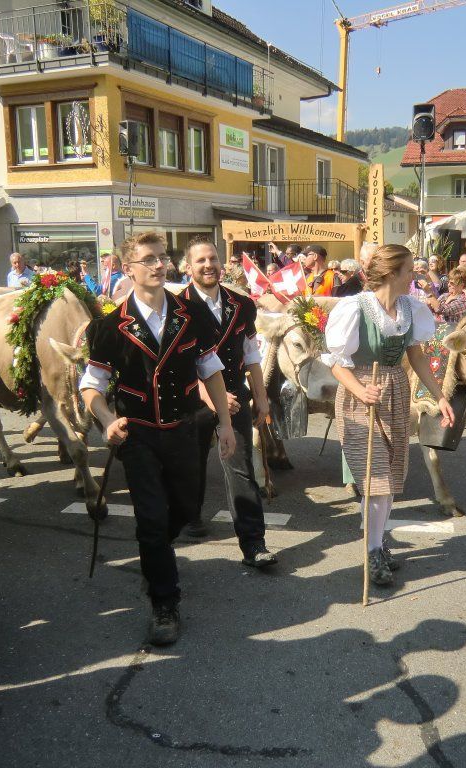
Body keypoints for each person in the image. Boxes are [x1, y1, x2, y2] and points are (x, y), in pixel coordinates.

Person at [80, 231, 237, 646]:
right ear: (128, 269)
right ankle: (163, 601)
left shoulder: (192, 315)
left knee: (186, 509)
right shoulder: (109, 327)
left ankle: (155, 554)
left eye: (161, 258)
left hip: (185, 429)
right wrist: (107, 418)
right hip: (139, 436)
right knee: (151, 519)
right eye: (147, 259)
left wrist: (224, 423)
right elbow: (91, 386)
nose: (157, 265)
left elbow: (211, 370)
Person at [323, 244, 453, 586]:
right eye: (411, 269)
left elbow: (417, 356)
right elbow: (336, 362)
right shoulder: (354, 307)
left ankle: (378, 543)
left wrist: (439, 396)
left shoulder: (410, 308)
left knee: (391, 477)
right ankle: (372, 550)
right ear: (393, 273)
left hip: (396, 390)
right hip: (360, 395)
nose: (416, 275)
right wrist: (360, 389)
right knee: (375, 479)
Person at [180, 238, 276, 565]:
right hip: (193, 397)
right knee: (190, 464)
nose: (208, 265)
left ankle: (254, 544)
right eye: (200, 261)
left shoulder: (241, 304)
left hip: (235, 395)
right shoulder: (176, 307)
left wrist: (261, 399)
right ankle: (190, 516)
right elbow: (173, 364)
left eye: (212, 259)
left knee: (241, 467)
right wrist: (209, 396)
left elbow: (251, 355)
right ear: (188, 267)